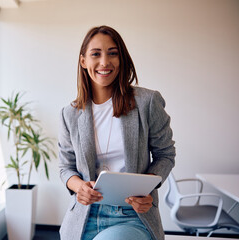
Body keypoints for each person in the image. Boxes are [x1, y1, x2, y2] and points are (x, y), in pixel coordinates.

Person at [58, 25, 175, 240]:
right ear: (83, 61)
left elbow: (165, 154)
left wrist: (147, 188)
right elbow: (65, 167)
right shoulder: (70, 114)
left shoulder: (146, 102)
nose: (104, 62)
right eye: (96, 54)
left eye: (113, 53)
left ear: (122, 60)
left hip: (132, 215)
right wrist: (79, 187)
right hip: (84, 217)